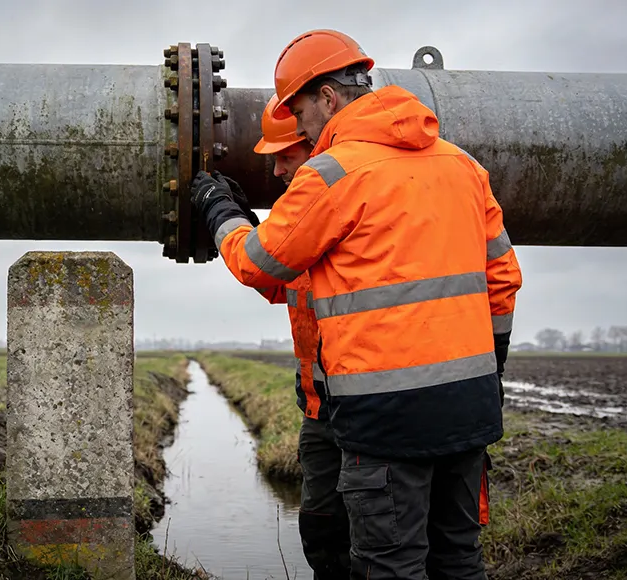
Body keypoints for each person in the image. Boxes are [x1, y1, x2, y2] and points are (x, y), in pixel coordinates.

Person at [190, 29, 522, 580]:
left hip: (384, 419)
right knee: (458, 560)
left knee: (389, 566)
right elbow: (503, 278)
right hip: (470, 406)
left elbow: (256, 263)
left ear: (327, 98)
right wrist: (490, 369)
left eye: (299, 113)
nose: (301, 128)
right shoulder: (463, 165)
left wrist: (221, 211)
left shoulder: (332, 172)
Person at [251, 93, 351, 579]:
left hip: (366, 406)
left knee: (380, 536)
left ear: (314, 141)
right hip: (318, 409)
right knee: (321, 528)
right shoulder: (304, 216)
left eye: (285, 157)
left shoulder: (349, 195)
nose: (276, 172)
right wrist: (249, 231)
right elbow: (278, 282)